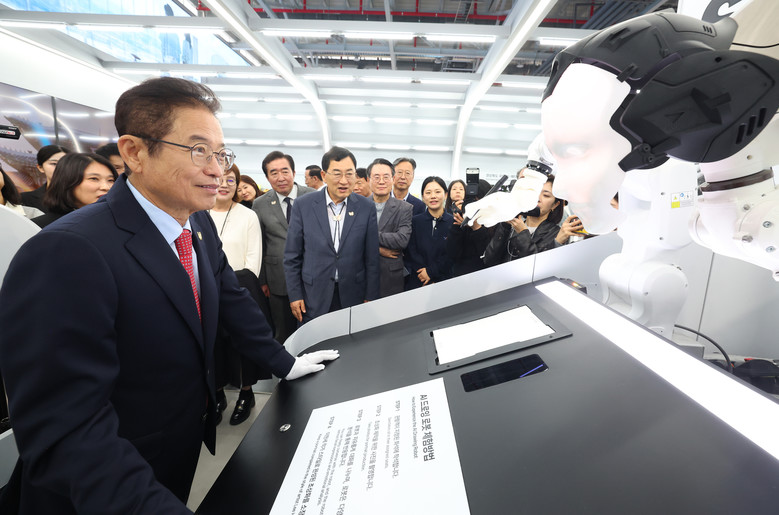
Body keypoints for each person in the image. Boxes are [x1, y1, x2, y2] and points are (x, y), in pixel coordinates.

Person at [0, 77, 337, 513]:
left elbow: (231, 299)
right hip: (104, 488)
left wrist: (284, 362)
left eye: (221, 154)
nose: (217, 170)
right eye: (198, 150)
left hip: (175, 450)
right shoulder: (67, 251)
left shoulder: (195, 223)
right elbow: (67, 429)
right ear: (135, 152)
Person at [284, 146, 380, 323]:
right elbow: (292, 256)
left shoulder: (366, 207)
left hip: (353, 295)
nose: (344, 181)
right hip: (313, 296)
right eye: (337, 174)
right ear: (323, 175)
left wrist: (370, 296)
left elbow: (372, 258)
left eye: (349, 174)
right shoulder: (303, 205)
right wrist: (295, 295)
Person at [208, 163, 269, 426]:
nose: (224, 184)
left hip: (240, 289)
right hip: (206, 292)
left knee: (241, 347)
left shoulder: (247, 216)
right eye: (219, 178)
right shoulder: (198, 213)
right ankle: (218, 393)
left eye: (230, 180)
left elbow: (253, 260)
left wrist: (235, 288)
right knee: (213, 346)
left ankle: (246, 393)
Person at [252, 150, 316, 343]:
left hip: (313, 275)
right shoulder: (260, 204)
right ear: (267, 177)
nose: (280, 178)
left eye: (285, 171)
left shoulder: (313, 196)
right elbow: (259, 244)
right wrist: (262, 280)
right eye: (274, 173)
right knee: (283, 333)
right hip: (278, 278)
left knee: (314, 330)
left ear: (294, 173)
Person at [483, 175, 582, 265]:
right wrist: (504, 227)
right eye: (535, 193)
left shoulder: (556, 234)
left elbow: (538, 266)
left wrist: (522, 233)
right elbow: (489, 261)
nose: (538, 199)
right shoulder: (511, 226)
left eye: (546, 195)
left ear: (555, 204)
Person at [31, 152, 117, 228]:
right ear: (68, 181)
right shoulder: (38, 227)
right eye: (94, 178)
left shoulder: (116, 222)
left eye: (110, 180)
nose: (106, 187)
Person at [367, 158, 413, 297]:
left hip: (391, 276)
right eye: (376, 177)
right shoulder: (359, 206)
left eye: (386, 177)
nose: (381, 181)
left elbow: (402, 240)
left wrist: (369, 235)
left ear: (393, 179)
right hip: (363, 273)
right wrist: (379, 250)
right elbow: (351, 240)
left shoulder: (405, 208)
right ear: (369, 180)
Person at [404, 176, 454, 289]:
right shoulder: (414, 221)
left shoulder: (454, 223)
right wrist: (424, 273)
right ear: (423, 197)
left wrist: (431, 272)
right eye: (428, 192)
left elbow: (451, 254)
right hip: (418, 279)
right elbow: (411, 251)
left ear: (446, 195)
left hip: (444, 282)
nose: (433, 196)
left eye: (437, 192)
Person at [447, 179, 494, 276]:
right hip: (461, 276)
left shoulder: (495, 221)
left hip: (485, 276)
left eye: (476, 200)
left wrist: (476, 227)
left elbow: (489, 257)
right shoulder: (464, 218)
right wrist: (458, 224)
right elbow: (452, 254)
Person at [20, 144, 70, 212]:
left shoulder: (80, 197)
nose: (60, 167)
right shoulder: (25, 199)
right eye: (54, 164)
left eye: (65, 163)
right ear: (40, 168)